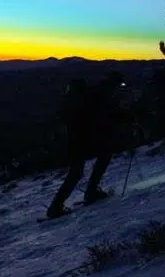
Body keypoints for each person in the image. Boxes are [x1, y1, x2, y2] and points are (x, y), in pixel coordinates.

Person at [46, 71, 131, 219]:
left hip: (75, 139)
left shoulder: (91, 95)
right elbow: (108, 115)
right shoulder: (101, 96)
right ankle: (80, 196)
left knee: (78, 170)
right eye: (119, 85)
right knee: (93, 163)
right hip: (82, 139)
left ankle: (61, 204)